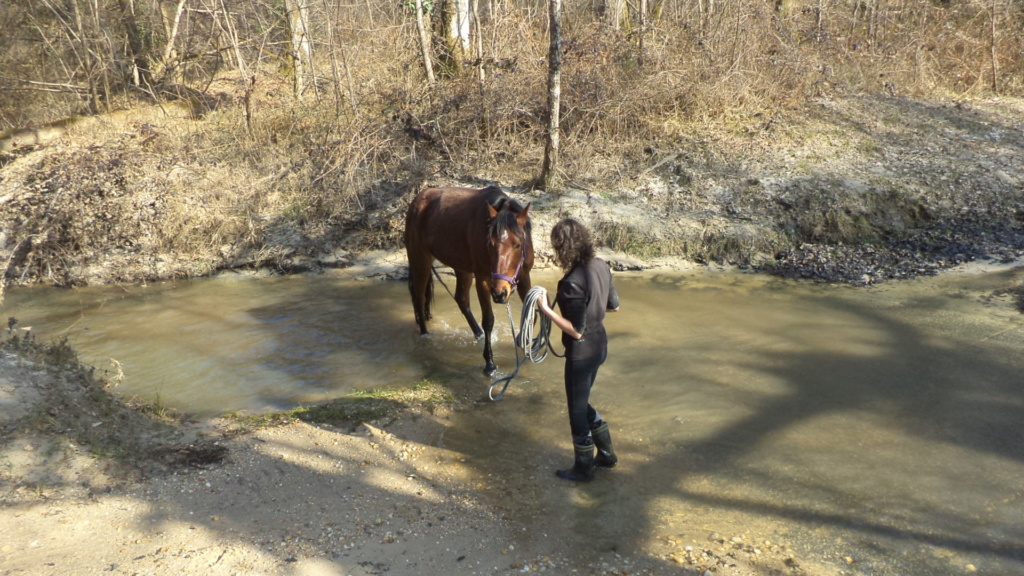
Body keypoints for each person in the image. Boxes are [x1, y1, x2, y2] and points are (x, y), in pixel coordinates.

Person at [536, 218, 620, 482]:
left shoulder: (571, 282)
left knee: (576, 411)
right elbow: (614, 307)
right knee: (582, 402)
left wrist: (546, 310)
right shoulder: (601, 266)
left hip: (581, 355)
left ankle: (583, 469)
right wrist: (592, 307)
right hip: (600, 348)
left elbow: (576, 330)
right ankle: (606, 456)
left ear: (562, 247)